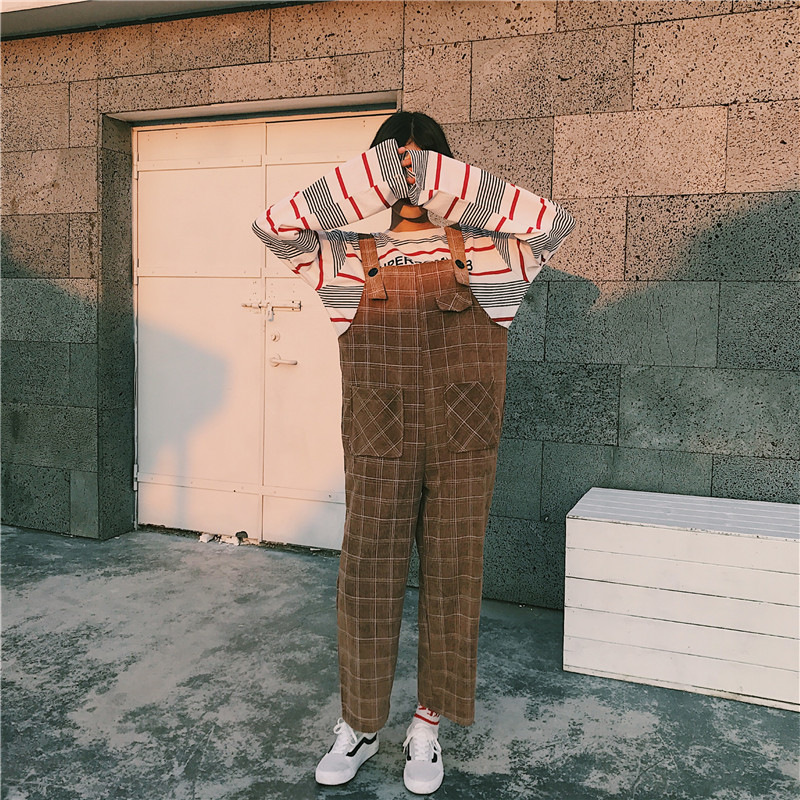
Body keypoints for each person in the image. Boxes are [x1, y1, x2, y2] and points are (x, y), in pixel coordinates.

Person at [251, 111, 575, 795]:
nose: (407, 178)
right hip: (380, 441)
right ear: (370, 174)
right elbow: (272, 226)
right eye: (393, 165)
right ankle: (361, 723)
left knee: (454, 577)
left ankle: (426, 726)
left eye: (420, 163)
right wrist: (376, 176)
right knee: (366, 576)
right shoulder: (343, 257)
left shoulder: (491, 254)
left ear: (445, 170)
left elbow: (553, 222)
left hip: (463, 444)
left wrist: (434, 178)